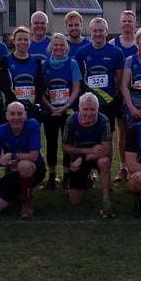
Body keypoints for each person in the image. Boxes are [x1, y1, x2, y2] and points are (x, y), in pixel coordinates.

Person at [0, 101, 47, 220]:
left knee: (24, 165)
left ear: (25, 115)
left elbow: (34, 156)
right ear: (7, 116)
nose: (16, 117)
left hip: (34, 170)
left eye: (19, 114)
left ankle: (27, 203)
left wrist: (11, 155)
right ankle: (17, 194)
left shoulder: (33, 125)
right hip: (12, 173)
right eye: (12, 114)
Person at [62, 93, 115, 218]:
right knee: (74, 202)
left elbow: (106, 149)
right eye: (85, 109)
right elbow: (66, 148)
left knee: (104, 162)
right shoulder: (71, 121)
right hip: (81, 158)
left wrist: (83, 158)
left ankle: (106, 201)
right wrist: (88, 151)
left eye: (93, 109)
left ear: (98, 109)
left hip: (95, 158)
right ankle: (86, 179)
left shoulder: (103, 120)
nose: (89, 113)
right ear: (79, 109)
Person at [41, 33, 82, 190]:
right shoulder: (44, 65)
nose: (58, 48)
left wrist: (65, 106)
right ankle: (52, 178)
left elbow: (76, 88)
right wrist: (50, 107)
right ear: (50, 47)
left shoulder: (72, 63)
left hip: (68, 111)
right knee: (51, 144)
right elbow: (41, 90)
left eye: (61, 45)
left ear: (66, 47)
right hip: (50, 111)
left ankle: (67, 178)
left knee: (67, 144)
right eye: (55, 45)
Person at [109, 10, 138, 181]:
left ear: (135, 23)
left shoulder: (140, 42)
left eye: (130, 21)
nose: (127, 24)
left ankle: (138, 164)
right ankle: (123, 167)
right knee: (122, 132)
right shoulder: (114, 43)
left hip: (138, 95)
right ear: (121, 23)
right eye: (124, 21)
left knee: (137, 131)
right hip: (119, 95)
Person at [0, 26, 45, 122]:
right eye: (19, 39)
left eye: (26, 39)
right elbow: (3, 85)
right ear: (14, 41)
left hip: (32, 110)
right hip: (11, 108)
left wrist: (36, 104)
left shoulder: (36, 61)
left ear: (30, 41)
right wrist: (17, 106)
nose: (22, 42)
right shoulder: (5, 60)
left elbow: (41, 85)